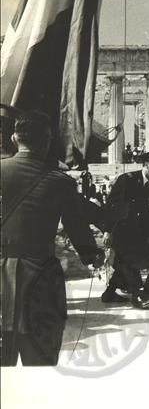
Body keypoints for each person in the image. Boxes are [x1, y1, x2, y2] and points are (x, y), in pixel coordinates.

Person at [1, 110, 104, 366]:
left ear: (15, 138)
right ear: (47, 142)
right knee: (41, 364)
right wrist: (92, 256)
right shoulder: (61, 183)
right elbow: (77, 228)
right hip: (41, 281)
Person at [101, 149, 149, 307]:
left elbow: (148, 215)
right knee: (128, 262)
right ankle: (137, 296)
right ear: (147, 165)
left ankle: (109, 293)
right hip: (121, 231)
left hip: (136, 233)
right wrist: (107, 230)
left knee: (127, 262)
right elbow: (111, 206)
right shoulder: (127, 180)